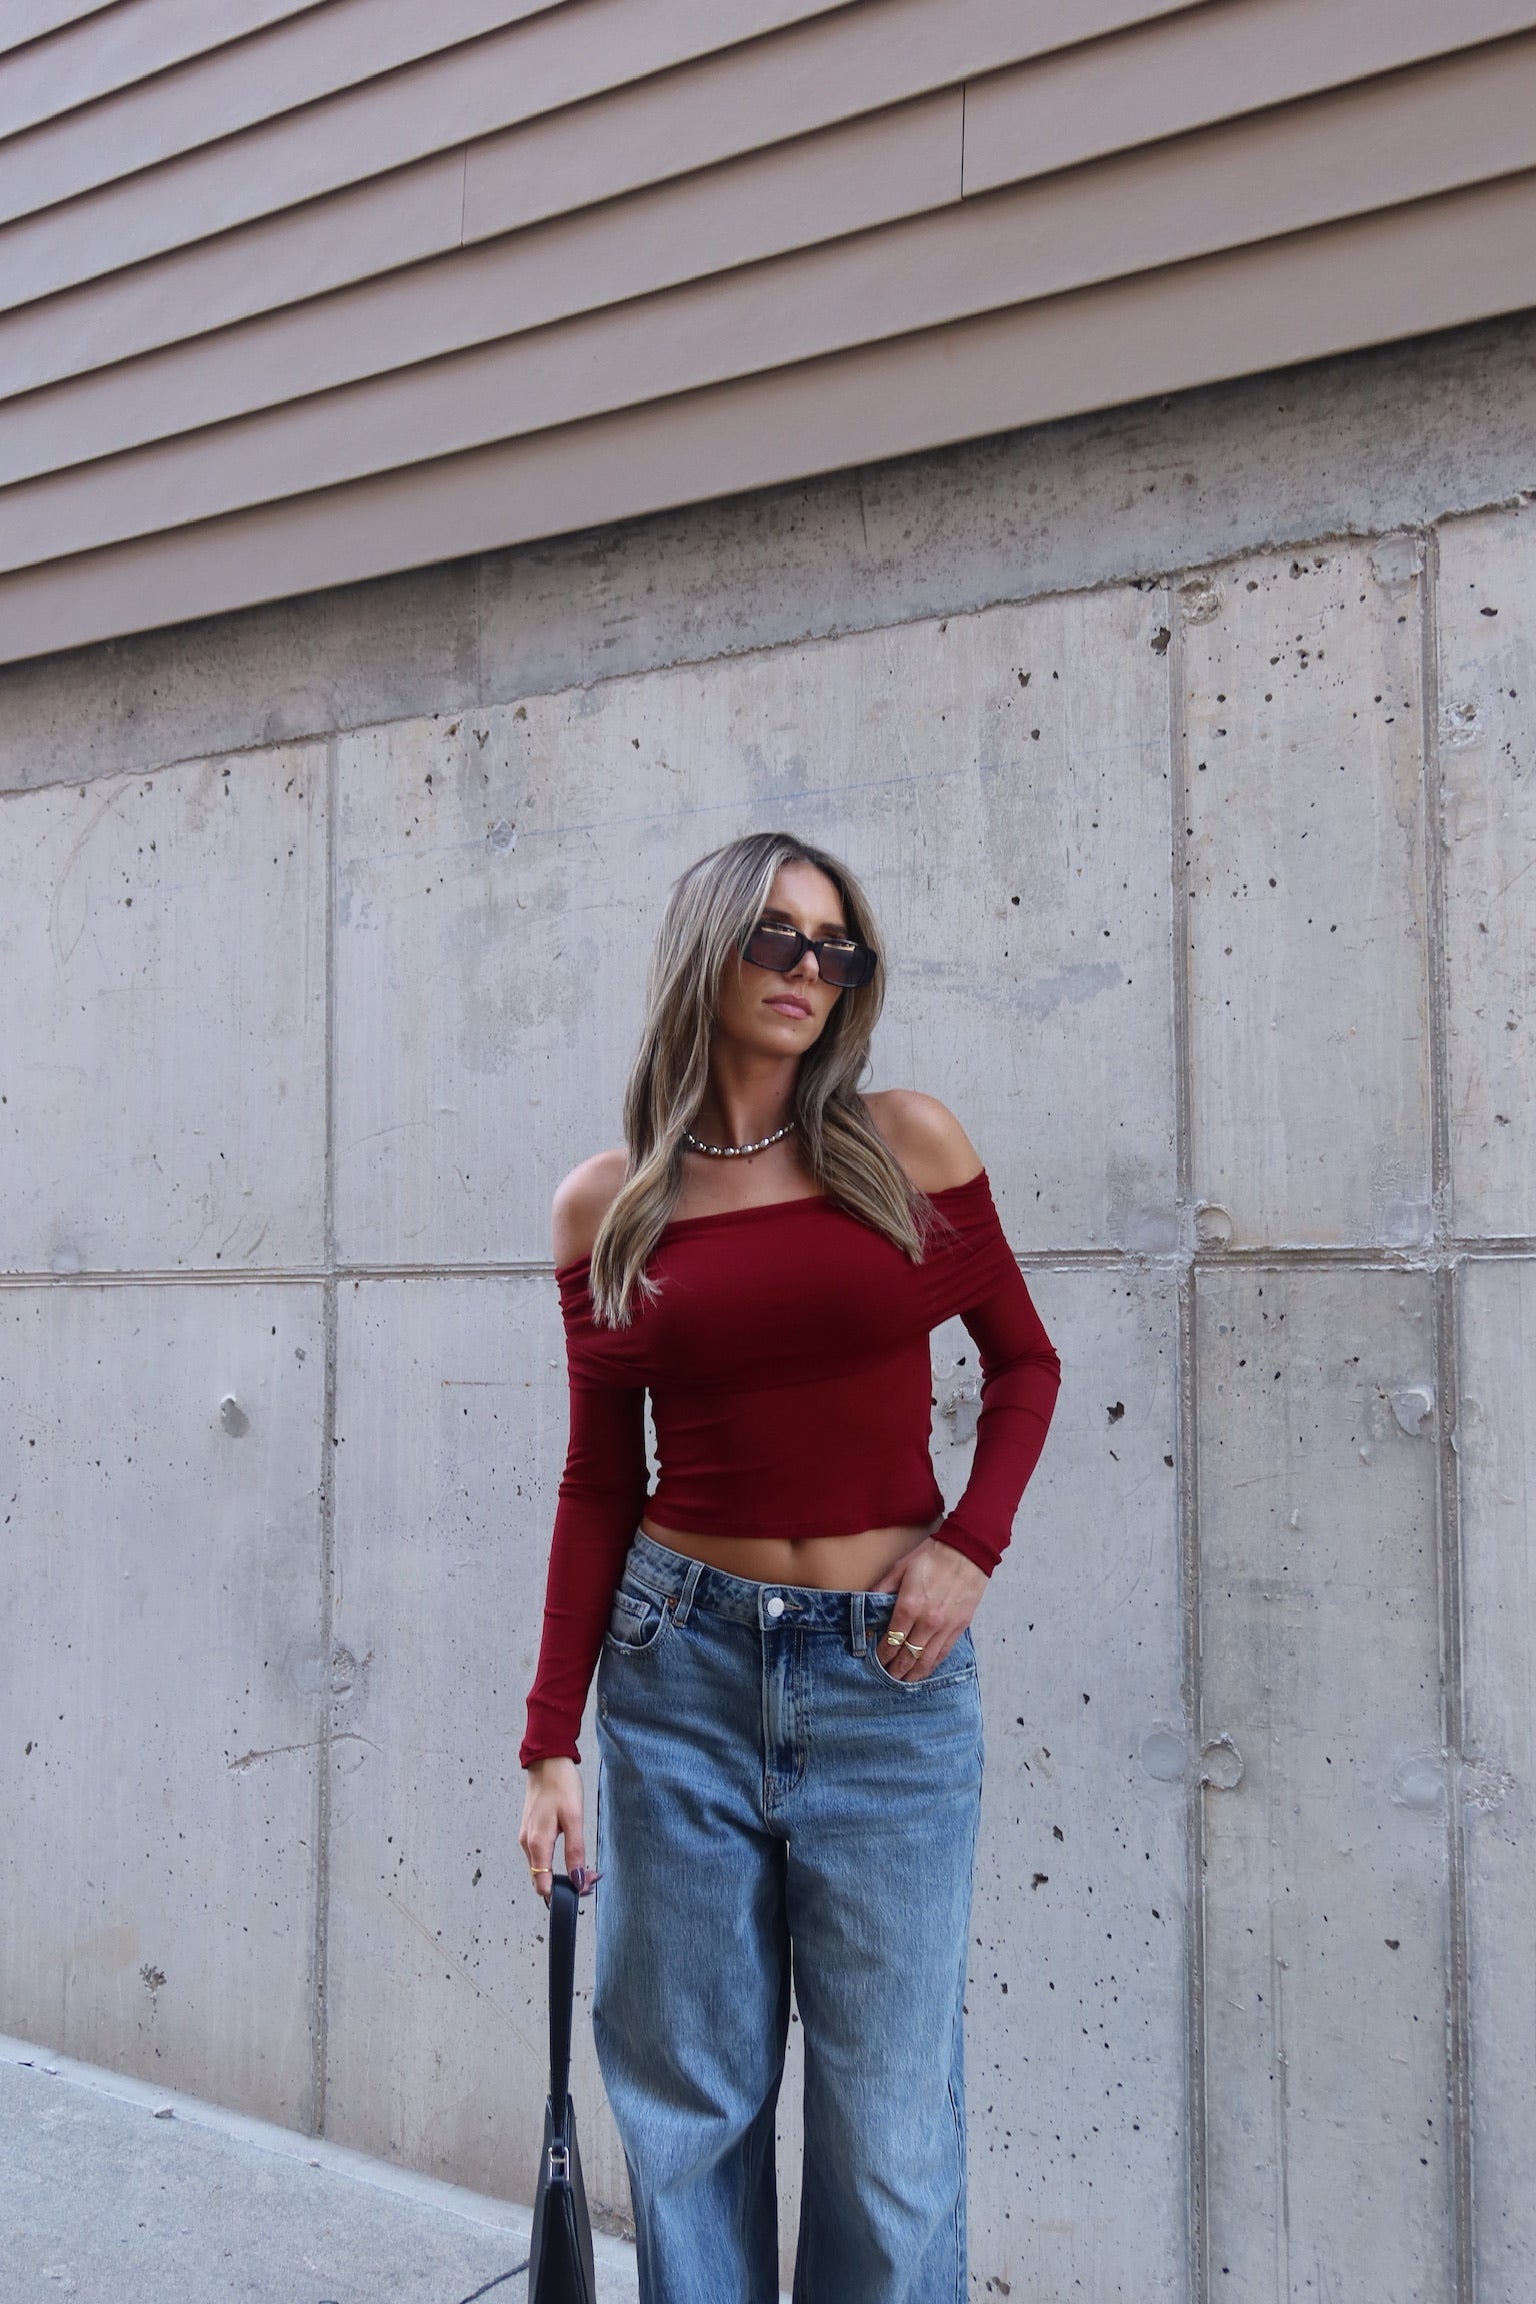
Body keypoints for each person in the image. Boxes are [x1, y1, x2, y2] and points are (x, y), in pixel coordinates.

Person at [519, 829, 1060, 2304]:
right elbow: (598, 1483)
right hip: (678, 1668)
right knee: (688, 2106)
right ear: (706, 952)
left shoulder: (905, 1144)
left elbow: (1025, 1364)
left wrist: (970, 1545)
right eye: (775, 936)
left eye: (835, 947)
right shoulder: (608, 1207)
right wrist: (550, 1740)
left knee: (889, 2129)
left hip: (890, 1676)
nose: (806, 969)